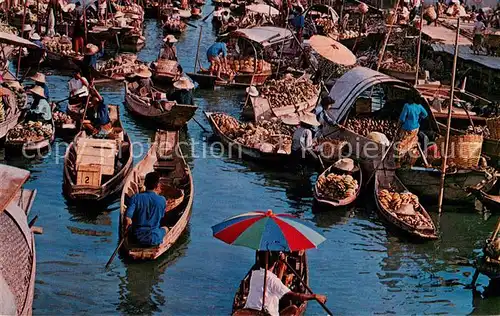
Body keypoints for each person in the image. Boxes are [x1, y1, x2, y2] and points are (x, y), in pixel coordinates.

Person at [243, 251, 326, 316]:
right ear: (275, 261)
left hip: (251, 310)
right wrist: (314, 296)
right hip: (266, 313)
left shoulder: (254, 274)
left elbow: (273, 286)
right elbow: (291, 296)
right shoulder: (272, 279)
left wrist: (281, 267)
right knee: (294, 309)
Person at [125, 172, 168, 246]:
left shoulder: (135, 198)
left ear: (145, 184)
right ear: (157, 185)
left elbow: (128, 218)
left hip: (136, 237)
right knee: (166, 228)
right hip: (153, 238)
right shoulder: (162, 200)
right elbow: (162, 216)